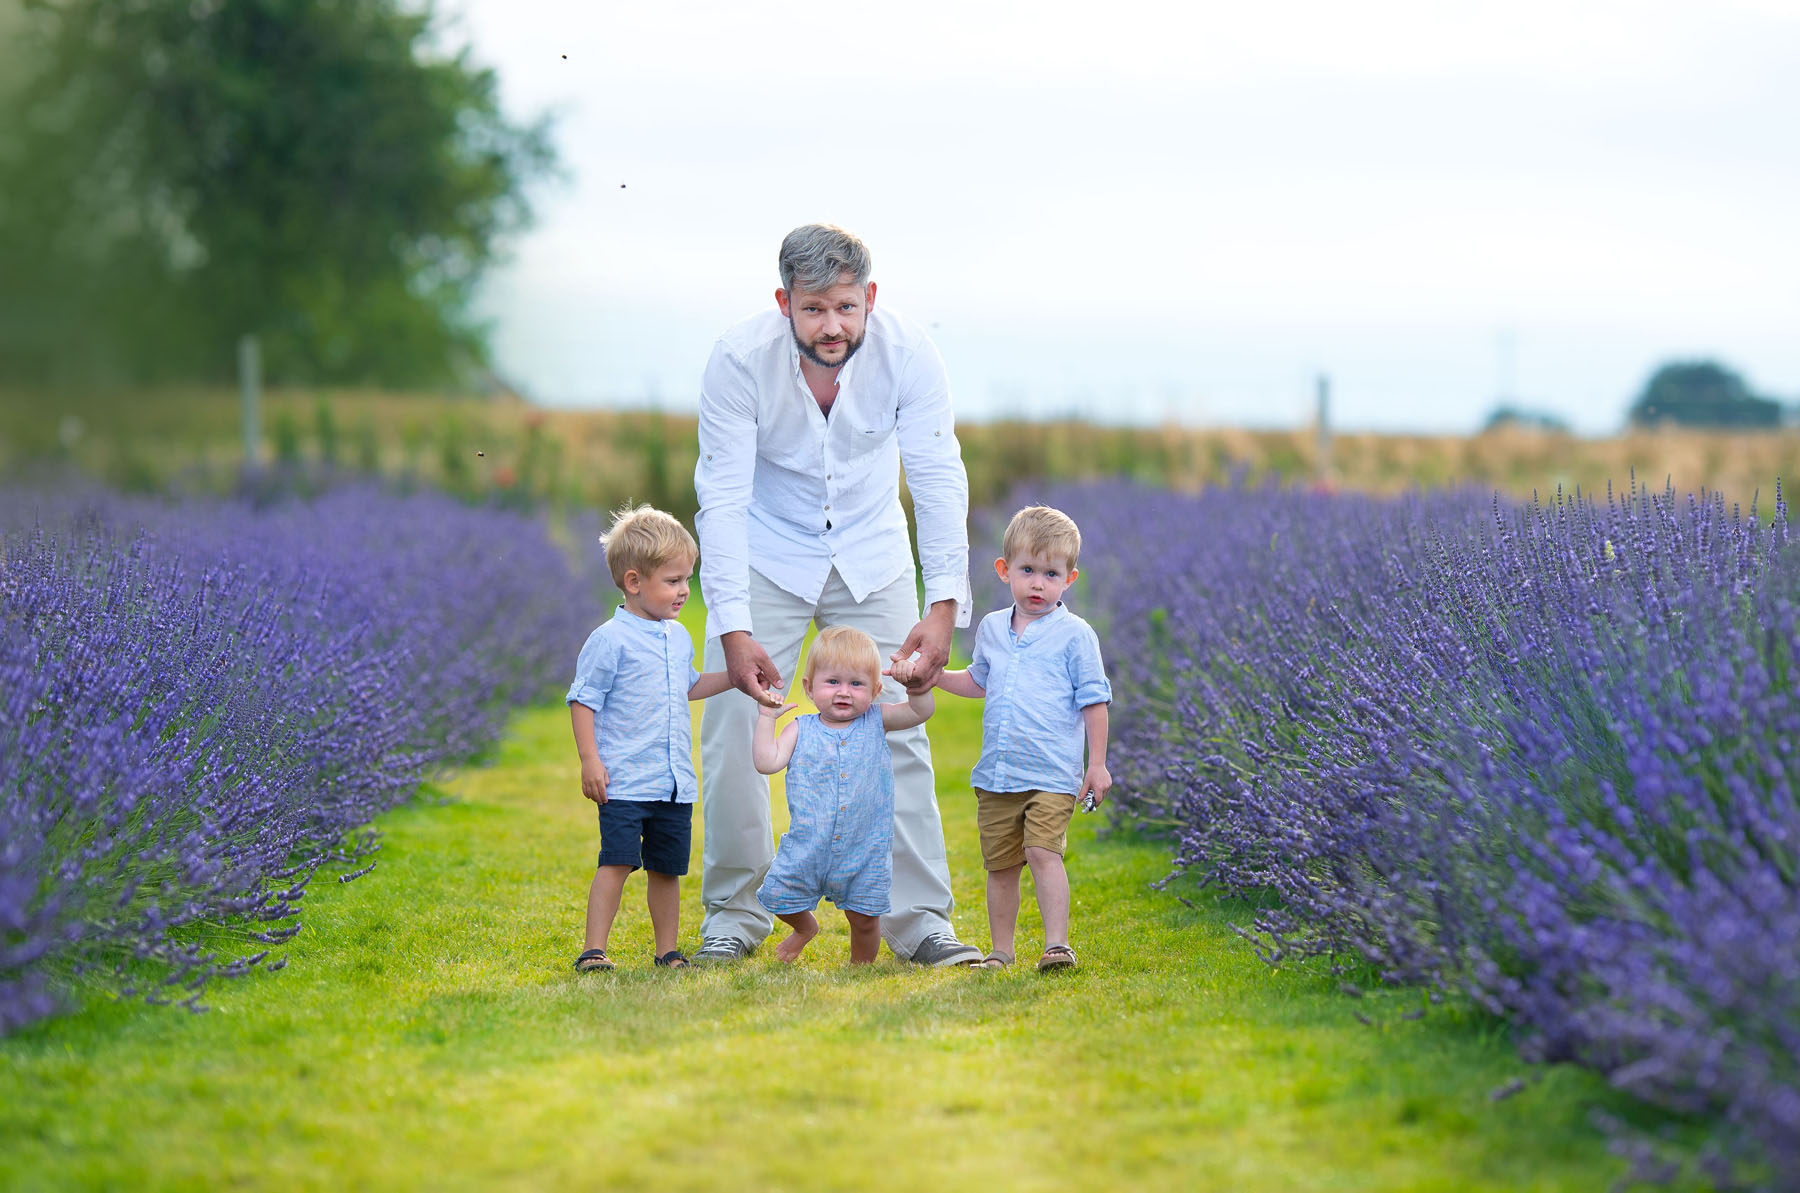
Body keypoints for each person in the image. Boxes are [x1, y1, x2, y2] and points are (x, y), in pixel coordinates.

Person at [692, 223, 981, 966]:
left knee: (900, 726)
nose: (832, 326)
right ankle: (736, 916)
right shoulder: (738, 359)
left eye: (846, 308)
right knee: (734, 724)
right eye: (814, 308)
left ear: (870, 298)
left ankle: (918, 920)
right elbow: (720, 497)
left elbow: (938, 474)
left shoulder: (909, 353)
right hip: (767, 552)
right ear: (784, 302)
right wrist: (732, 628)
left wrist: (943, 605)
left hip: (871, 553)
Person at [931, 505, 1113, 972]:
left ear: (1069, 579)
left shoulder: (1076, 636)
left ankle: (1057, 945)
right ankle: (1001, 951)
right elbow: (978, 680)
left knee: (1042, 851)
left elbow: (1094, 701)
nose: (1038, 584)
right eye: (1027, 570)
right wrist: (935, 676)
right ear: (1004, 569)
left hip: (1051, 773)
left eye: (1051, 574)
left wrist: (1097, 764)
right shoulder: (992, 628)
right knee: (1001, 865)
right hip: (998, 773)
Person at [565, 505, 739, 973]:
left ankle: (668, 952)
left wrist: (736, 677)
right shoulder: (609, 639)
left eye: (687, 580)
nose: (684, 591)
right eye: (673, 581)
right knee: (617, 862)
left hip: (672, 784)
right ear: (634, 581)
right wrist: (590, 760)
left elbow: (690, 686)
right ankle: (593, 950)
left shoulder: (678, 637)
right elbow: (583, 700)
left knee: (667, 869)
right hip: (624, 781)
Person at [751, 627, 935, 964]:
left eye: (857, 684)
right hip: (808, 844)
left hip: (863, 849)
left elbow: (920, 712)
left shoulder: (877, 720)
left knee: (864, 919)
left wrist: (917, 686)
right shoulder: (800, 728)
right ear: (809, 687)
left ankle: (859, 970)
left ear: (876, 690)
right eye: (833, 681)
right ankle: (805, 927)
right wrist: (766, 718)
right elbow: (767, 762)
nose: (844, 692)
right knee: (778, 895)